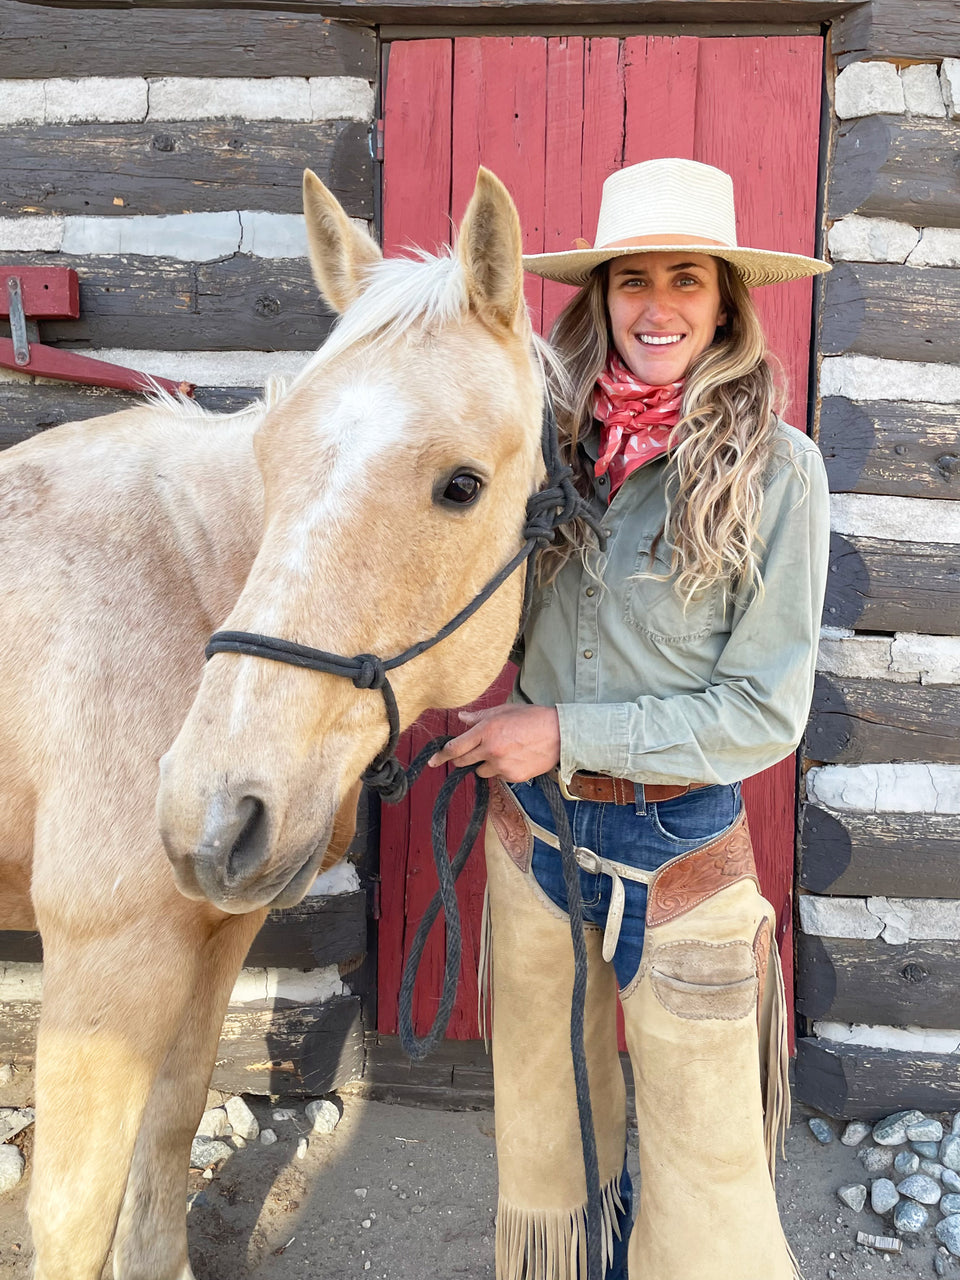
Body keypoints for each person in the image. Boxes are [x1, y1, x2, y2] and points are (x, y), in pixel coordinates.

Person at [429, 158, 831, 1280]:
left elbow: (763, 710)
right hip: (534, 838)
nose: (658, 308)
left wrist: (560, 731)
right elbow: (486, 613)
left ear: (726, 300)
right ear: (598, 296)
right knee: (549, 1148)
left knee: (709, 1182)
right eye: (632, 281)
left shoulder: (781, 472)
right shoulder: (542, 447)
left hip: (682, 850)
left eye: (687, 280)